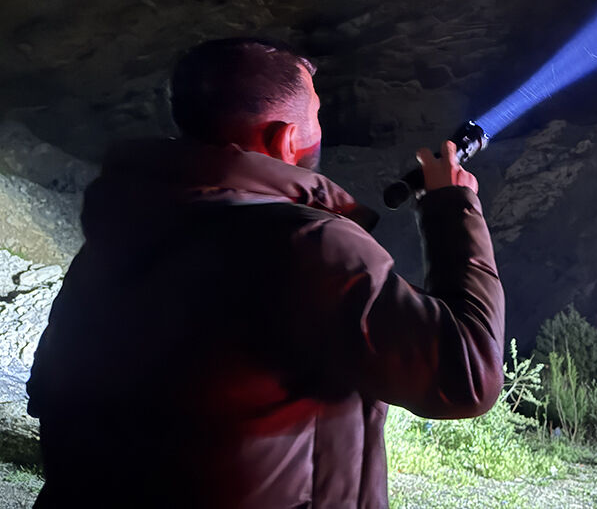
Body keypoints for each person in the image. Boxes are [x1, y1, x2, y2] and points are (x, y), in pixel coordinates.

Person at [26, 37, 505, 508]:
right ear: (285, 138)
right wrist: (451, 205)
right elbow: (467, 374)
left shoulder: (123, 230)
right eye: (315, 115)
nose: (320, 127)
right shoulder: (306, 245)